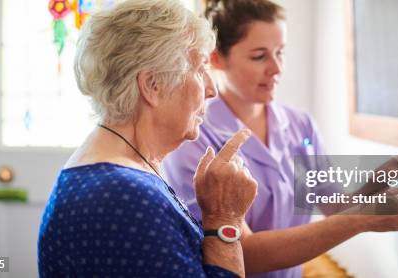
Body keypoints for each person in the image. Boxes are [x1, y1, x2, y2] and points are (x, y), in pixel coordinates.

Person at [163, 0, 398, 277]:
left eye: (280, 52)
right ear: (216, 59)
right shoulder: (194, 138)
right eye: (259, 56)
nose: (276, 68)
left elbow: (334, 206)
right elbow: (241, 252)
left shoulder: (300, 125)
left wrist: (389, 172)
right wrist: (362, 219)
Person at [37, 0, 259, 276]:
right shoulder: (124, 195)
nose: (212, 89)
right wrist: (225, 217)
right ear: (153, 85)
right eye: (201, 69)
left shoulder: (121, 174)